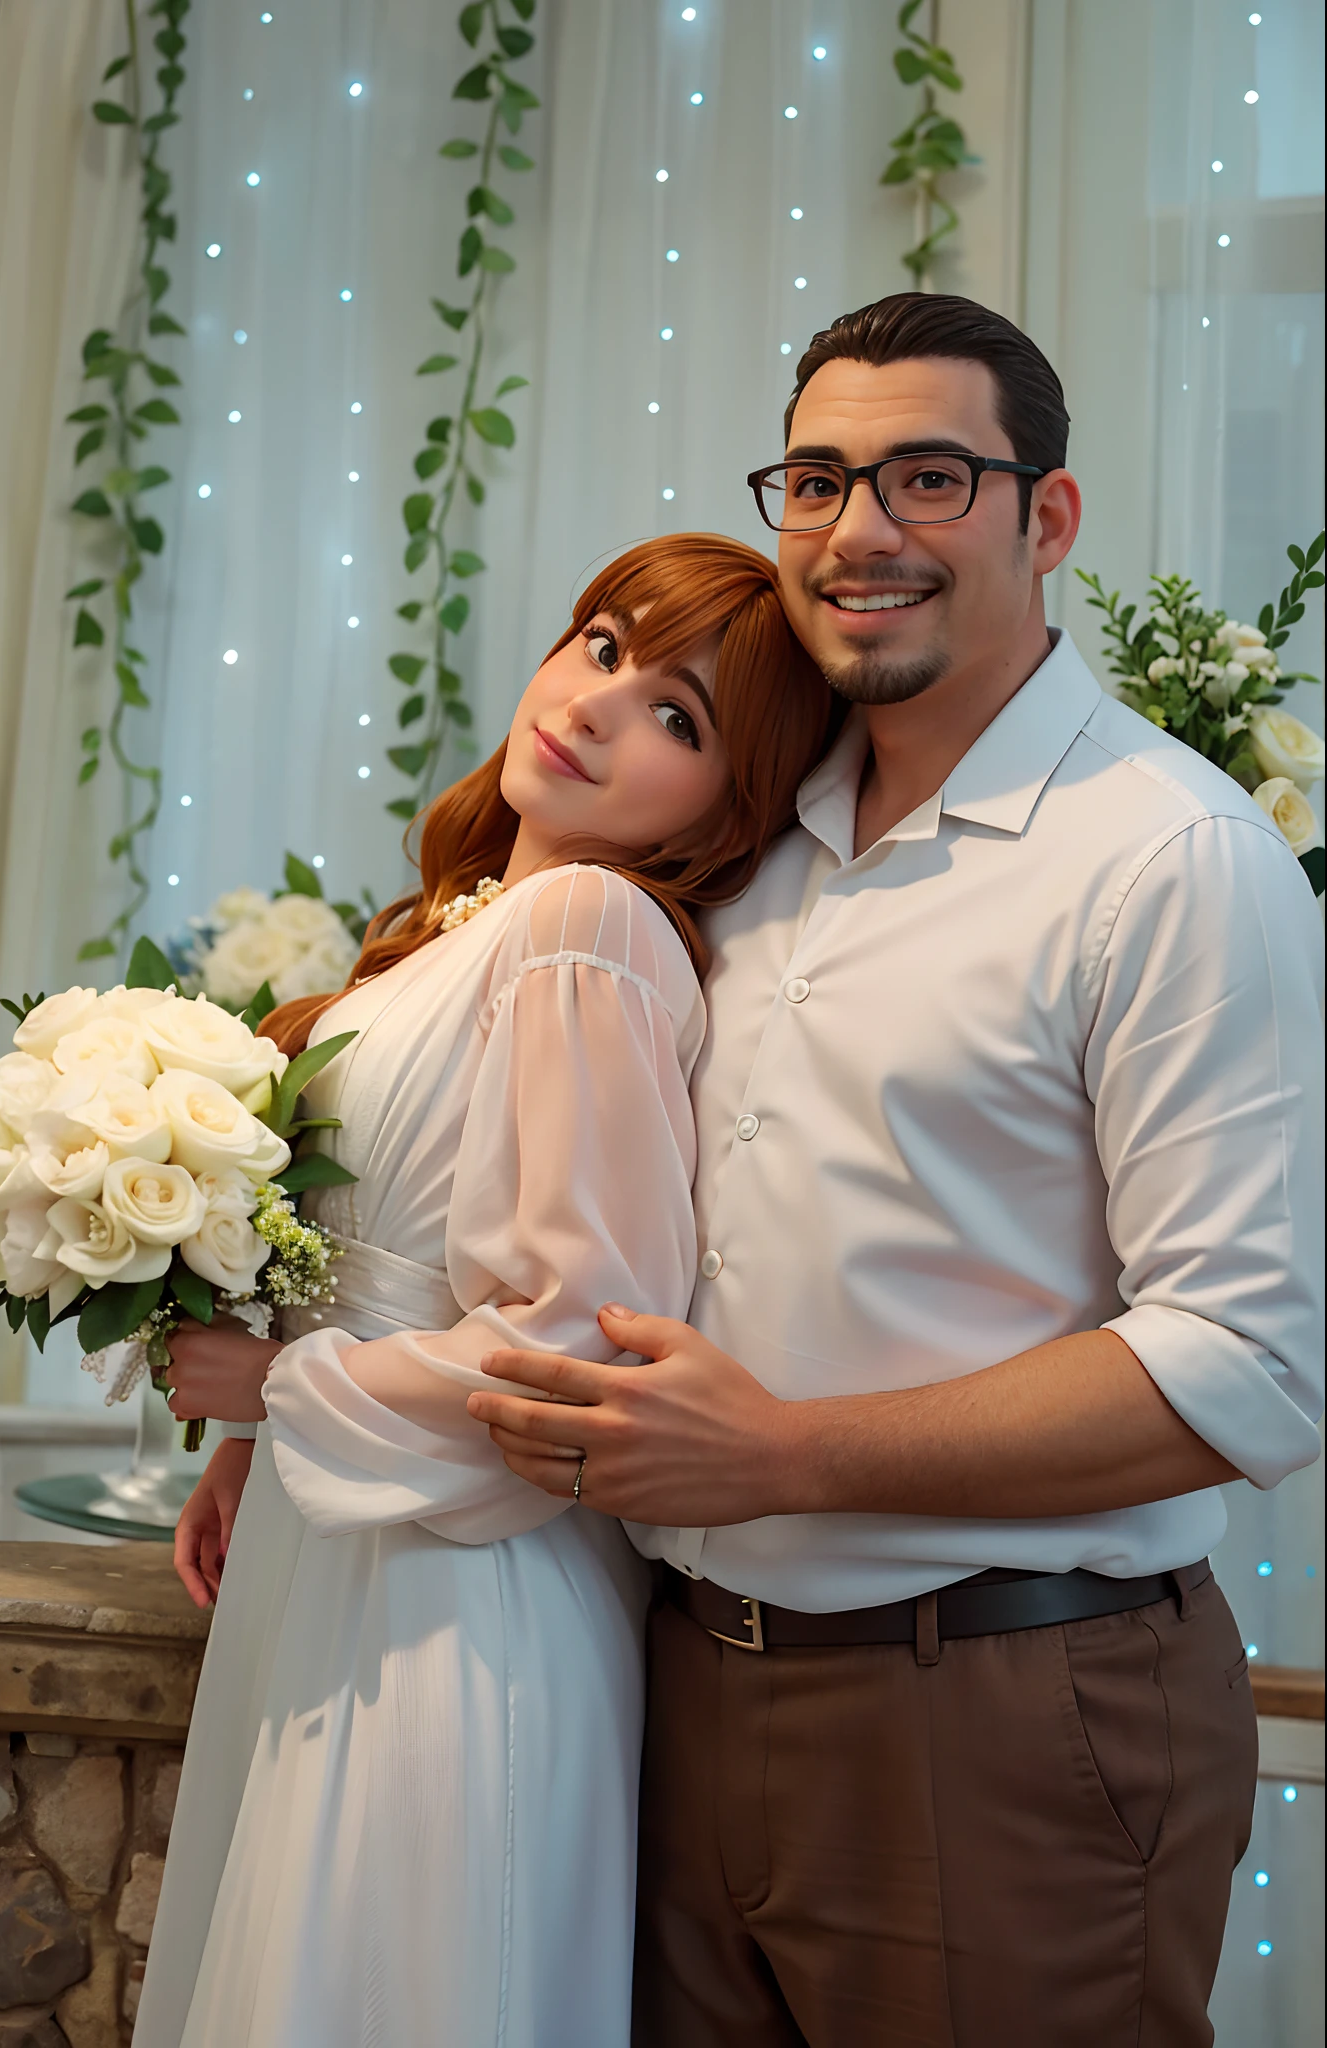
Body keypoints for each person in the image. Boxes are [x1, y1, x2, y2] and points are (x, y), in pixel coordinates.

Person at [466, 296, 1326, 2048]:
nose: (862, 533)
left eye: (931, 477)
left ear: (1047, 518)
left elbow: (1253, 1365)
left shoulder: (1172, 860)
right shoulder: (740, 834)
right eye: (820, 478)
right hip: (677, 1682)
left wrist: (788, 1454)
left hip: (1006, 1704)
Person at [133, 532, 834, 2048]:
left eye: (678, 716)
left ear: (731, 804)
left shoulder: (591, 931)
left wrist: (282, 1390)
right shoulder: (455, 937)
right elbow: (409, 1254)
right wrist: (260, 1447)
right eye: (601, 643)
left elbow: (578, 1350)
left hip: (464, 1595)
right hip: (351, 1552)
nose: (596, 703)